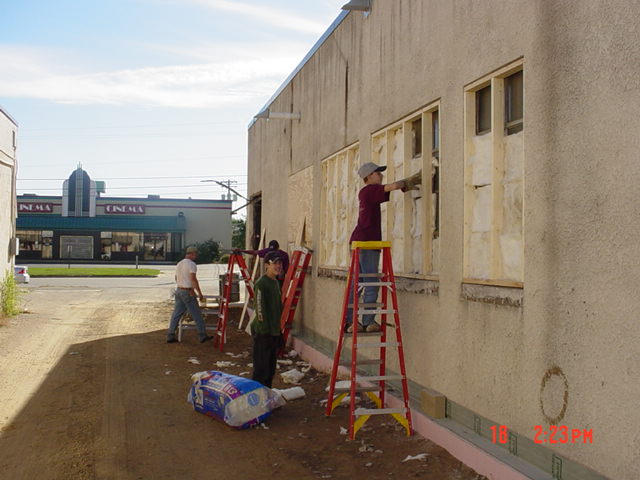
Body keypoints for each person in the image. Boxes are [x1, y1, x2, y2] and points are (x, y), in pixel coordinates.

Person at [345, 162, 421, 333]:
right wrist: (412, 180)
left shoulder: (366, 193)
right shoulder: (369, 190)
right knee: (371, 283)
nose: (381, 175)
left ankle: (350, 322)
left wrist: (404, 185)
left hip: (359, 242)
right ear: (369, 176)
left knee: (357, 283)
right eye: (378, 173)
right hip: (367, 243)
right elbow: (392, 186)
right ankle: (368, 321)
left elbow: (388, 189)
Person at [250, 251, 284, 388]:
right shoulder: (262, 284)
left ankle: (266, 394)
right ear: (266, 265)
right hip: (263, 333)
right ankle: (256, 397)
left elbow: (277, 309)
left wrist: (278, 331)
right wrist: (265, 331)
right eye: (274, 263)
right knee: (261, 370)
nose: (278, 266)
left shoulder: (276, 283)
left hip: (273, 331)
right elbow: (259, 308)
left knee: (270, 369)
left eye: (280, 263)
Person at [166, 246, 213, 343]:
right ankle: (202, 335)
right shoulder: (192, 264)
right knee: (197, 314)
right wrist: (199, 293)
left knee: (176, 314)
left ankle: (170, 334)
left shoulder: (179, 263)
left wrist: (182, 284)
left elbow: (176, 277)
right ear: (192, 254)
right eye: (195, 254)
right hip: (187, 292)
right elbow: (193, 279)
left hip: (179, 290)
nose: (196, 256)